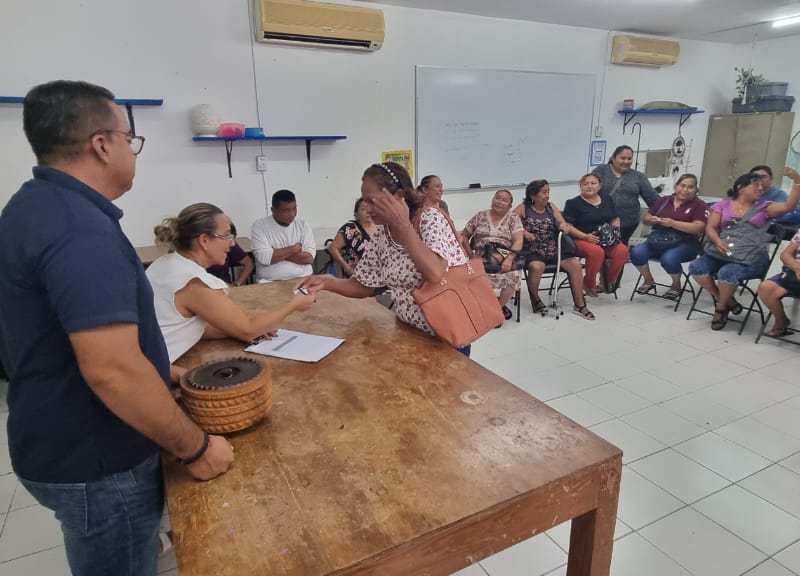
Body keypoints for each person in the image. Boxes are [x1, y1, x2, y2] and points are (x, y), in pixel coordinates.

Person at [0, 80, 233, 576]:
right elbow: (112, 370)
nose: (133, 150)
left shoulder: (33, 207)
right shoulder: (77, 229)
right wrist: (196, 446)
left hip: (54, 435)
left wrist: (158, 371)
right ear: (102, 145)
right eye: (131, 139)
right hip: (99, 459)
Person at [297, 162, 475, 355]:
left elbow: (435, 273)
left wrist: (402, 225)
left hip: (447, 336)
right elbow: (363, 285)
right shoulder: (383, 232)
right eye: (364, 200)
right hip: (411, 333)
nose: (367, 207)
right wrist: (327, 282)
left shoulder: (430, 219)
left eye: (373, 200)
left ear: (398, 196)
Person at [147, 203, 316, 364]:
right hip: (153, 372)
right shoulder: (194, 283)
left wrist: (235, 330)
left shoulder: (165, 263)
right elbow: (248, 329)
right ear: (204, 240)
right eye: (226, 235)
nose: (232, 243)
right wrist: (295, 304)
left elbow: (190, 328)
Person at [689, 168, 800, 330]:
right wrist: (718, 241)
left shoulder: (765, 208)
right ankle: (727, 301)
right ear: (740, 188)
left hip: (752, 258)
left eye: (762, 186)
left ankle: (720, 309)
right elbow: (710, 228)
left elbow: (789, 206)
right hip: (722, 253)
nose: (761, 189)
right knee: (696, 267)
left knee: (726, 273)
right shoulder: (723, 204)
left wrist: (797, 181)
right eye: (756, 185)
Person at [513, 180, 595, 319]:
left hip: (553, 248)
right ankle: (536, 299)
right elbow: (510, 224)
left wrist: (563, 225)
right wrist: (524, 232)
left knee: (575, 265)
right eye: (544, 192)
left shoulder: (551, 207)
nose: (547, 195)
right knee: (537, 267)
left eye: (548, 192)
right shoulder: (523, 208)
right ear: (533, 195)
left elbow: (562, 222)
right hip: (533, 250)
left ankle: (580, 304)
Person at [629, 174, 707, 299]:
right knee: (636, 252)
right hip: (658, 239)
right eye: (682, 186)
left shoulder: (699, 205)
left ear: (696, 190)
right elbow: (645, 218)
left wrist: (673, 224)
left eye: (690, 187)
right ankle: (648, 280)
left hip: (686, 243)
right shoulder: (664, 200)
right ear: (676, 186)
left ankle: (676, 285)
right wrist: (651, 219)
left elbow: (699, 228)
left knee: (669, 258)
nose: (685, 190)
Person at [461, 189, 524, 320]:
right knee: (470, 274)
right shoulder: (480, 216)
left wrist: (510, 258)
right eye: (497, 198)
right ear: (492, 199)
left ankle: (496, 309)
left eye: (504, 200)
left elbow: (519, 240)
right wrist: (470, 255)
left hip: (504, 254)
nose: (499, 202)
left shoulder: (513, 218)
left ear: (510, 205)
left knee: (515, 275)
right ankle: (490, 306)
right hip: (480, 256)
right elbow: (464, 236)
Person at [563, 174, 629, 297]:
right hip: (582, 238)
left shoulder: (607, 199)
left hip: (605, 237)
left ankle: (607, 281)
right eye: (585, 184)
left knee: (622, 251)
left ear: (600, 186)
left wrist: (614, 233)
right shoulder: (573, 203)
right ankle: (589, 284)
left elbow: (615, 218)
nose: (589, 186)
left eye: (593, 183)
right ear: (580, 186)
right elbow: (568, 227)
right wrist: (585, 236)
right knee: (596, 252)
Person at [592, 145, 660, 244]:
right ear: (613, 158)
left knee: (619, 250)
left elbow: (653, 199)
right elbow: (589, 190)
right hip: (602, 222)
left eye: (629, 158)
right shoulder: (601, 171)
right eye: (622, 158)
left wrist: (672, 205)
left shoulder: (638, 177)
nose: (626, 161)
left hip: (628, 225)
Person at [251, 189, 316, 281]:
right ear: (273, 210)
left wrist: (276, 253)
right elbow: (264, 258)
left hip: (303, 278)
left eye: (294, 208)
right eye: (286, 210)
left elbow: (309, 259)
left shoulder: (303, 225)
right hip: (271, 282)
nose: (292, 214)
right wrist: (294, 249)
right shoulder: (259, 226)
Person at [758, 229, 800, 337]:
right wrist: (796, 267)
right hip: (794, 273)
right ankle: (782, 321)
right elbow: (785, 254)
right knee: (766, 288)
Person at [328, 198, 377, 277]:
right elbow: (333, 248)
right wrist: (346, 267)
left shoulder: (382, 227)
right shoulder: (350, 229)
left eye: (370, 208)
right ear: (356, 214)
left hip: (383, 276)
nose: (368, 211)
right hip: (359, 276)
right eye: (363, 209)